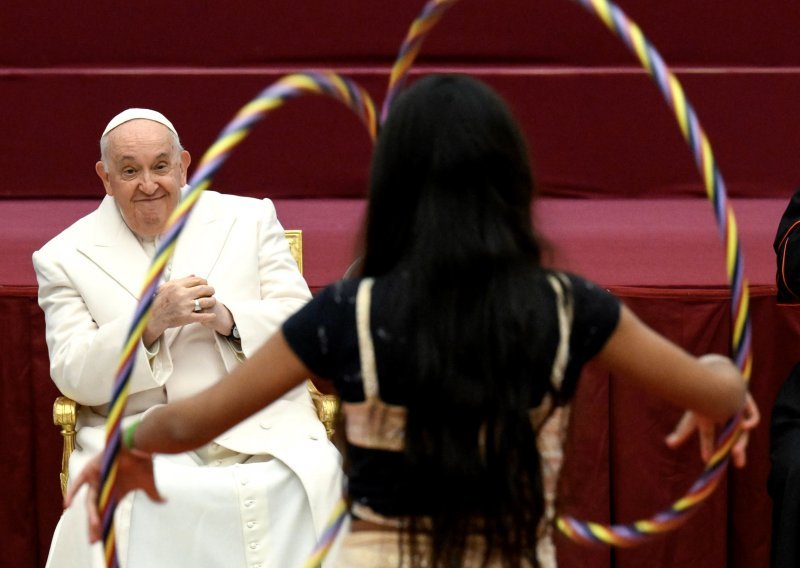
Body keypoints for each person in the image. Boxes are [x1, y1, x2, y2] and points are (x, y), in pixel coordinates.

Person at [69, 77, 759, 567]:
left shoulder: (349, 313)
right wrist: (720, 383)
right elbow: (719, 392)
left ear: (391, 186)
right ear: (513, 181)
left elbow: (191, 422)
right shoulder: (569, 305)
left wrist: (127, 447)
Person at [33, 108, 343, 568]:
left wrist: (230, 319)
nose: (148, 184)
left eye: (161, 166)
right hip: (147, 434)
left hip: (260, 423)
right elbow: (73, 371)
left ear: (184, 164)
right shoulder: (63, 256)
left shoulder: (249, 219)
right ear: (105, 177)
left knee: (313, 475)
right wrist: (148, 325)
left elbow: (306, 324)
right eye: (130, 171)